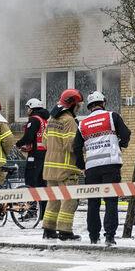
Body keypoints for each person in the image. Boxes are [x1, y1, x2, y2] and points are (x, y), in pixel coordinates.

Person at [75, 89, 132, 247]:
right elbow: (126, 134)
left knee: (93, 203)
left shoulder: (82, 124)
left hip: (92, 169)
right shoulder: (112, 116)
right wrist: (121, 144)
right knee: (110, 201)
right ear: (103, 103)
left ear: (89, 106)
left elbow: (76, 147)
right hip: (110, 166)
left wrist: (82, 165)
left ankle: (94, 237)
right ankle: (109, 236)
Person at [40, 88, 84, 241]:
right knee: (69, 200)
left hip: (50, 168)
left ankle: (48, 229)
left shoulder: (52, 120)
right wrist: (82, 145)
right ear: (72, 105)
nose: (79, 108)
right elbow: (70, 145)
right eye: (78, 105)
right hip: (66, 169)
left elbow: (44, 142)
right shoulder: (69, 121)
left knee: (53, 200)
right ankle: (65, 231)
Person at [18, 95, 49, 221]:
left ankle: (31, 211)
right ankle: (43, 212)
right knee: (42, 184)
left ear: (32, 108)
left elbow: (29, 137)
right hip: (44, 155)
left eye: (28, 108)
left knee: (30, 184)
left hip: (34, 156)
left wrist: (18, 144)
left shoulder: (34, 119)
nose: (27, 111)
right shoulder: (45, 121)